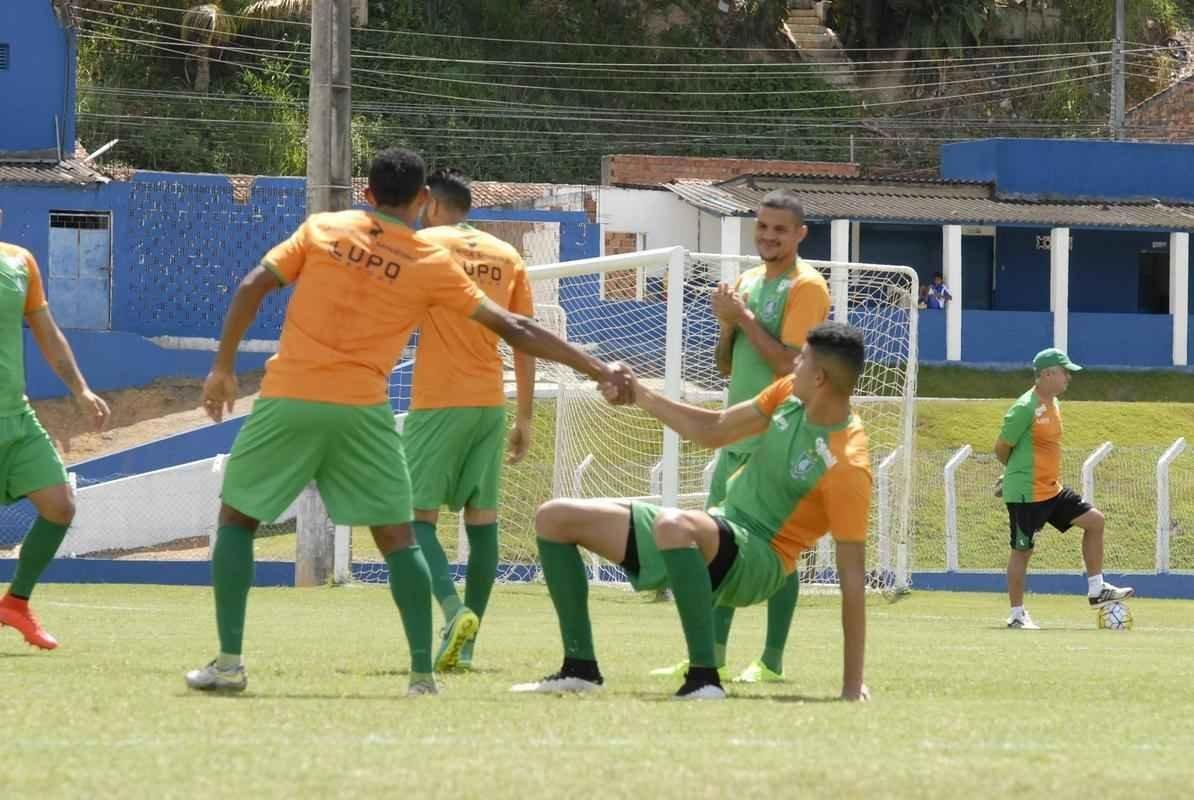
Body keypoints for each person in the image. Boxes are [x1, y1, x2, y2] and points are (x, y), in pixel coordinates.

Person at [184, 148, 631, 696]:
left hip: (292, 397)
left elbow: (255, 283)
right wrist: (597, 366)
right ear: (423, 200)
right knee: (400, 538)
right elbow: (517, 328)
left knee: (238, 520)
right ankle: (423, 675)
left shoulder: (324, 227)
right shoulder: (428, 262)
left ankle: (229, 662)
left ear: (366, 193)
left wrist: (223, 367)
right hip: (368, 412)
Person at [514, 322, 872, 701]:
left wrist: (852, 685)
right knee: (554, 518)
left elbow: (852, 578)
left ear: (818, 377)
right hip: (720, 527)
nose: (792, 364)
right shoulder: (788, 395)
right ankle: (580, 668)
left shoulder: (848, 463)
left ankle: (704, 679)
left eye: (801, 359)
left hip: (763, 561)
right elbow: (713, 430)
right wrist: (641, 394)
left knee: (675, 524)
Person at [652, 189, 829, 685]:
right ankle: (711, 656)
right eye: (763, 227)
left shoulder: (807, 287)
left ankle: (771, 661)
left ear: (799, 234)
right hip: (738, 429)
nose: (769, 237)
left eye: (780, 229)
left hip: (781, 433)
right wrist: (727, 325)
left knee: (775, 550)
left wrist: (744, 318)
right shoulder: (747, 281)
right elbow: (726, 364)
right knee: (717, 545)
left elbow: (792, 367)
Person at [406, 168, 536, 672]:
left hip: (438, 401)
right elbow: (523, 336)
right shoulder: (506, 256)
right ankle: (470, 641)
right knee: (482, 523)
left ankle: (452, 610)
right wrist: (524, 415)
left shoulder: (424, 243)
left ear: (431, 205)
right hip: (490, 402)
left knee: (415, 522)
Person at [0, 235, 111, 650]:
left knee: (59, 506)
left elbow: (46, 332)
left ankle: (15, 603)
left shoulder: (18, 261)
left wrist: (80, 390)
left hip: (16, 416)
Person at [995, 348, 1133, 630]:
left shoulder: (1055, 403)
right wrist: (1012, 475)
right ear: (1046, 374)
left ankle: (1096, 589)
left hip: (1052, 490)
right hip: (1027, 494)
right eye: (1064, 372)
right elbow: (1001, 447)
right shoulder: (1024, 407)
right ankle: (1017, 615)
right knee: (1022, 551)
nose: (1068, 377)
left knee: (1095, 521)